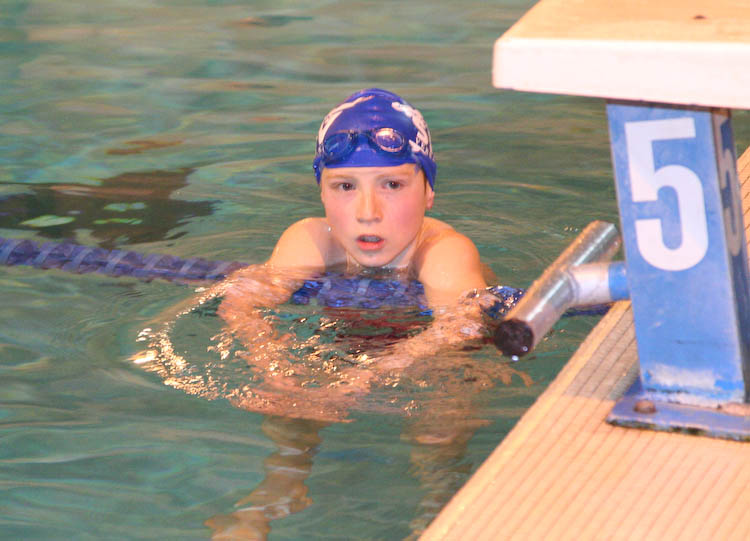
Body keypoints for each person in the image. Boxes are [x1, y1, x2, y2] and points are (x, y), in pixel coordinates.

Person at [215, 88, 497, 385]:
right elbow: (240, 304)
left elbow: (461, 328)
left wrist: (357, 381)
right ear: (322, 194)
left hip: (431, 361)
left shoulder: (444, 253)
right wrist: (271, 365)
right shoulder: (311, 240)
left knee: (451, 397)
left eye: (392, 184)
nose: (368, 212)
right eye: (346, 186)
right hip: (343, 346)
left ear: (428, 191)